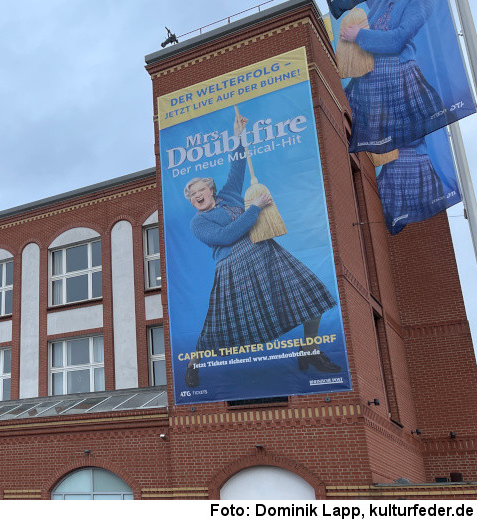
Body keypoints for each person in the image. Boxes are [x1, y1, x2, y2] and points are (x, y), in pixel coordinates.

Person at [183, 114, 340, 388]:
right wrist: (255, 207)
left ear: (210, 189)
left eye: (200, 189)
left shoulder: (229, 195)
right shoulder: (198, 223)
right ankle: (194, 363)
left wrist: (238, 136)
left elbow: (237, 165)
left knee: (309, 295)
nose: (196, 195)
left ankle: (311, 349)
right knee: (217, 328)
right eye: (191, 194)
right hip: (234, 267)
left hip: (266, 252)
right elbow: (226, 236)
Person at [334, 0, 447, 153]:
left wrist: (359, 35)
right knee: (339, 122)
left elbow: (396, 40)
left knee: (408, 143)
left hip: (399, 76)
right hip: (368, 77)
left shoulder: (421, 3)